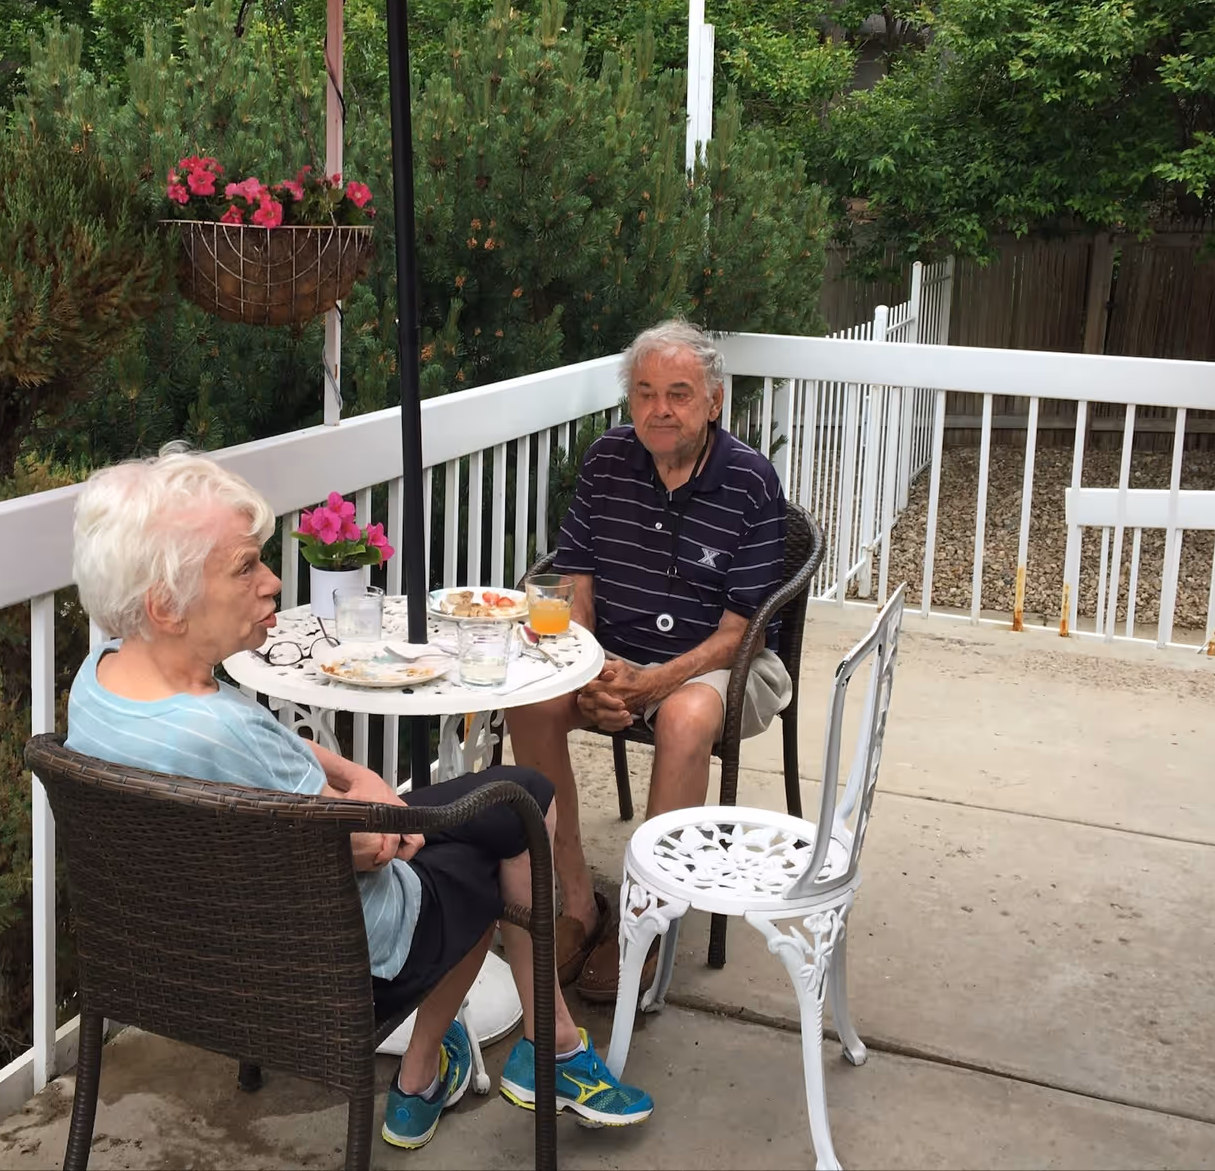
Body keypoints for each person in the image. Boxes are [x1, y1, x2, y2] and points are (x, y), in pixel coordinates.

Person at [63, 447, 652, 1152]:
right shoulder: (226, 736)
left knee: (492, 809)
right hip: (347, 966)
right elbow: (376, 846)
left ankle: (497, 1052)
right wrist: (382, 813)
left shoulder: (102, 681)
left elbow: (284, 769)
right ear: (165, 604)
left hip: (187, 969)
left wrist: (358, 779)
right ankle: (491, 1057)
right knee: (523, 807)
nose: (273, 580)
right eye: (245, 565)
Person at [505, 319, 792, 1002]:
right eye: (645, 393)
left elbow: (739, 631)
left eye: (679, 394)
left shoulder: (751, 481)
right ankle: (578, 904)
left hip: (720, 661)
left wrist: (651, 684)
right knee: (531, 699)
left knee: (687, 718)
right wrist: (592, 671)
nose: (660, 409)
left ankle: (643, 921)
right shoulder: (609, 459)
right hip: (615, 656)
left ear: (713, 402)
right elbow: (573, 578)